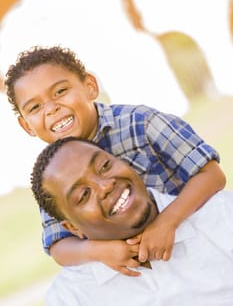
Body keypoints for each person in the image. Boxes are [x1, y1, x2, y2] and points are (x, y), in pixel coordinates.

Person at [5, 46, 225, 275]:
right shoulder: (51, 177)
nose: (51, 109)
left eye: (60, 91)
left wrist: (167, 222)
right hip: (146, 276)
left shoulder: (141, 122)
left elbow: (211, 175)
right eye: (35, 107)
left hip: (200, 242)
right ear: (27, 125)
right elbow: (58, 245)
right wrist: (97, 251)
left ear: (90, 86)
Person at [31, 137, 233, 306]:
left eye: (105, 166)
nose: (106, 186)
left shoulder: (222, 216)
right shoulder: (70, 302)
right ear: (73, 228)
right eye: (84, 194)